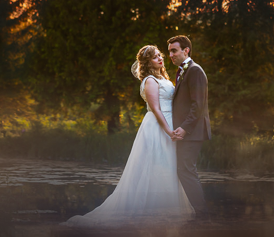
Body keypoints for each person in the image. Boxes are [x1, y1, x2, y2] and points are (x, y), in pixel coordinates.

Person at [65, 45, 194, 226]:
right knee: (156, 165)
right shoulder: (150, 80)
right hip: (158, 127)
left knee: (169, 166)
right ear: (148, 62)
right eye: (155, 57)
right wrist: (167, 130)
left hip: (170, 124)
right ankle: (151, 211)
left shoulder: (164, 78)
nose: (160, 58)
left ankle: (166, 209)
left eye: (160, 55)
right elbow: (156, 109)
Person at [167, 35, 211, 214]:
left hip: (193, 132)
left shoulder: (195, 71)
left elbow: (198, 105)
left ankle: (202, 213)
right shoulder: (183, 70)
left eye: (174, 50)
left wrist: (184, 128)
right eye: (169, 51)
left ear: (186, 51)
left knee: (186, 170)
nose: (170, 54)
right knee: (184, 170)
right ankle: (197, 212)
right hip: (187, 132)